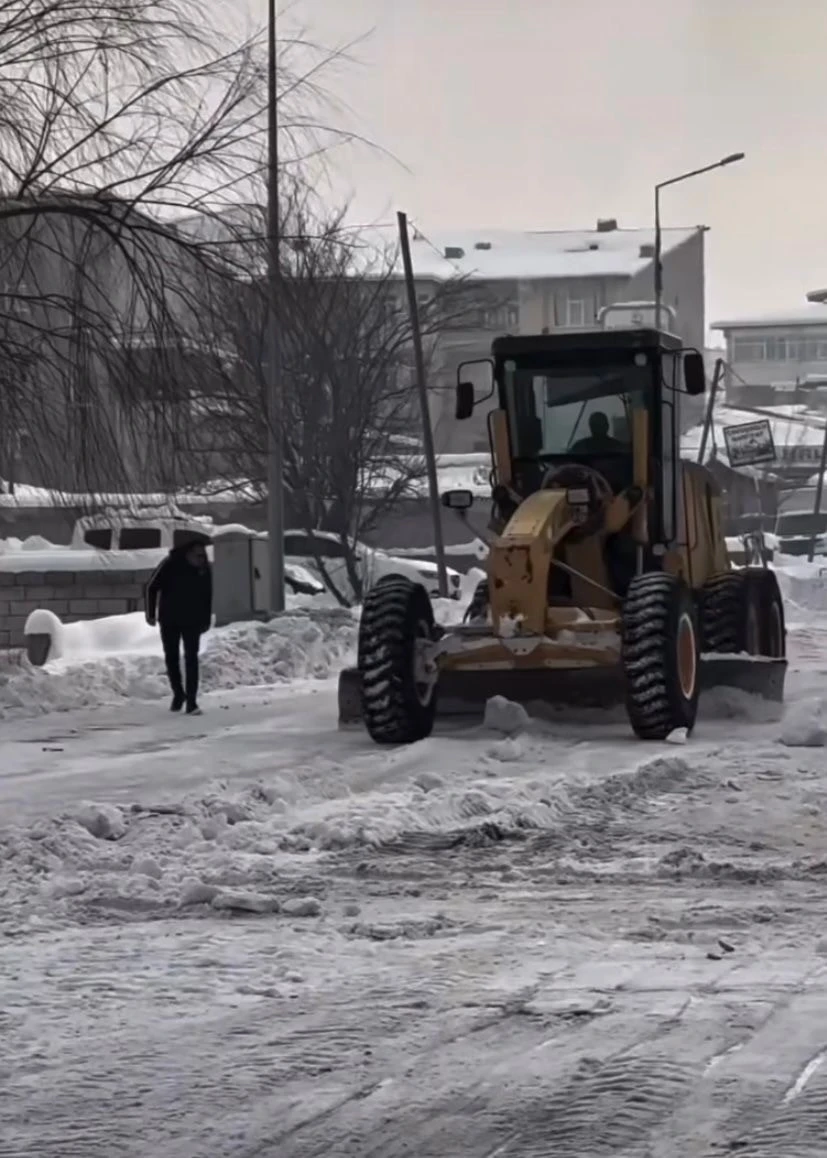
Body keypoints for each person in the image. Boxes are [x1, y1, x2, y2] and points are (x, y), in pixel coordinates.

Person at [145, 538, 212, 715]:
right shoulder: (170, 565)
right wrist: (150, 614)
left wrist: (205, 620)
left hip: (193, 620)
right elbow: (151, 587)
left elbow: (207, 595)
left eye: (203, 556)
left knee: (191, 659)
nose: (201, 559)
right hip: (170, 619)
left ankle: (192, 702)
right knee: (171, 657)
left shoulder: (203, 569)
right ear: (187, 554)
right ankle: (178, 694)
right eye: (198, 556)